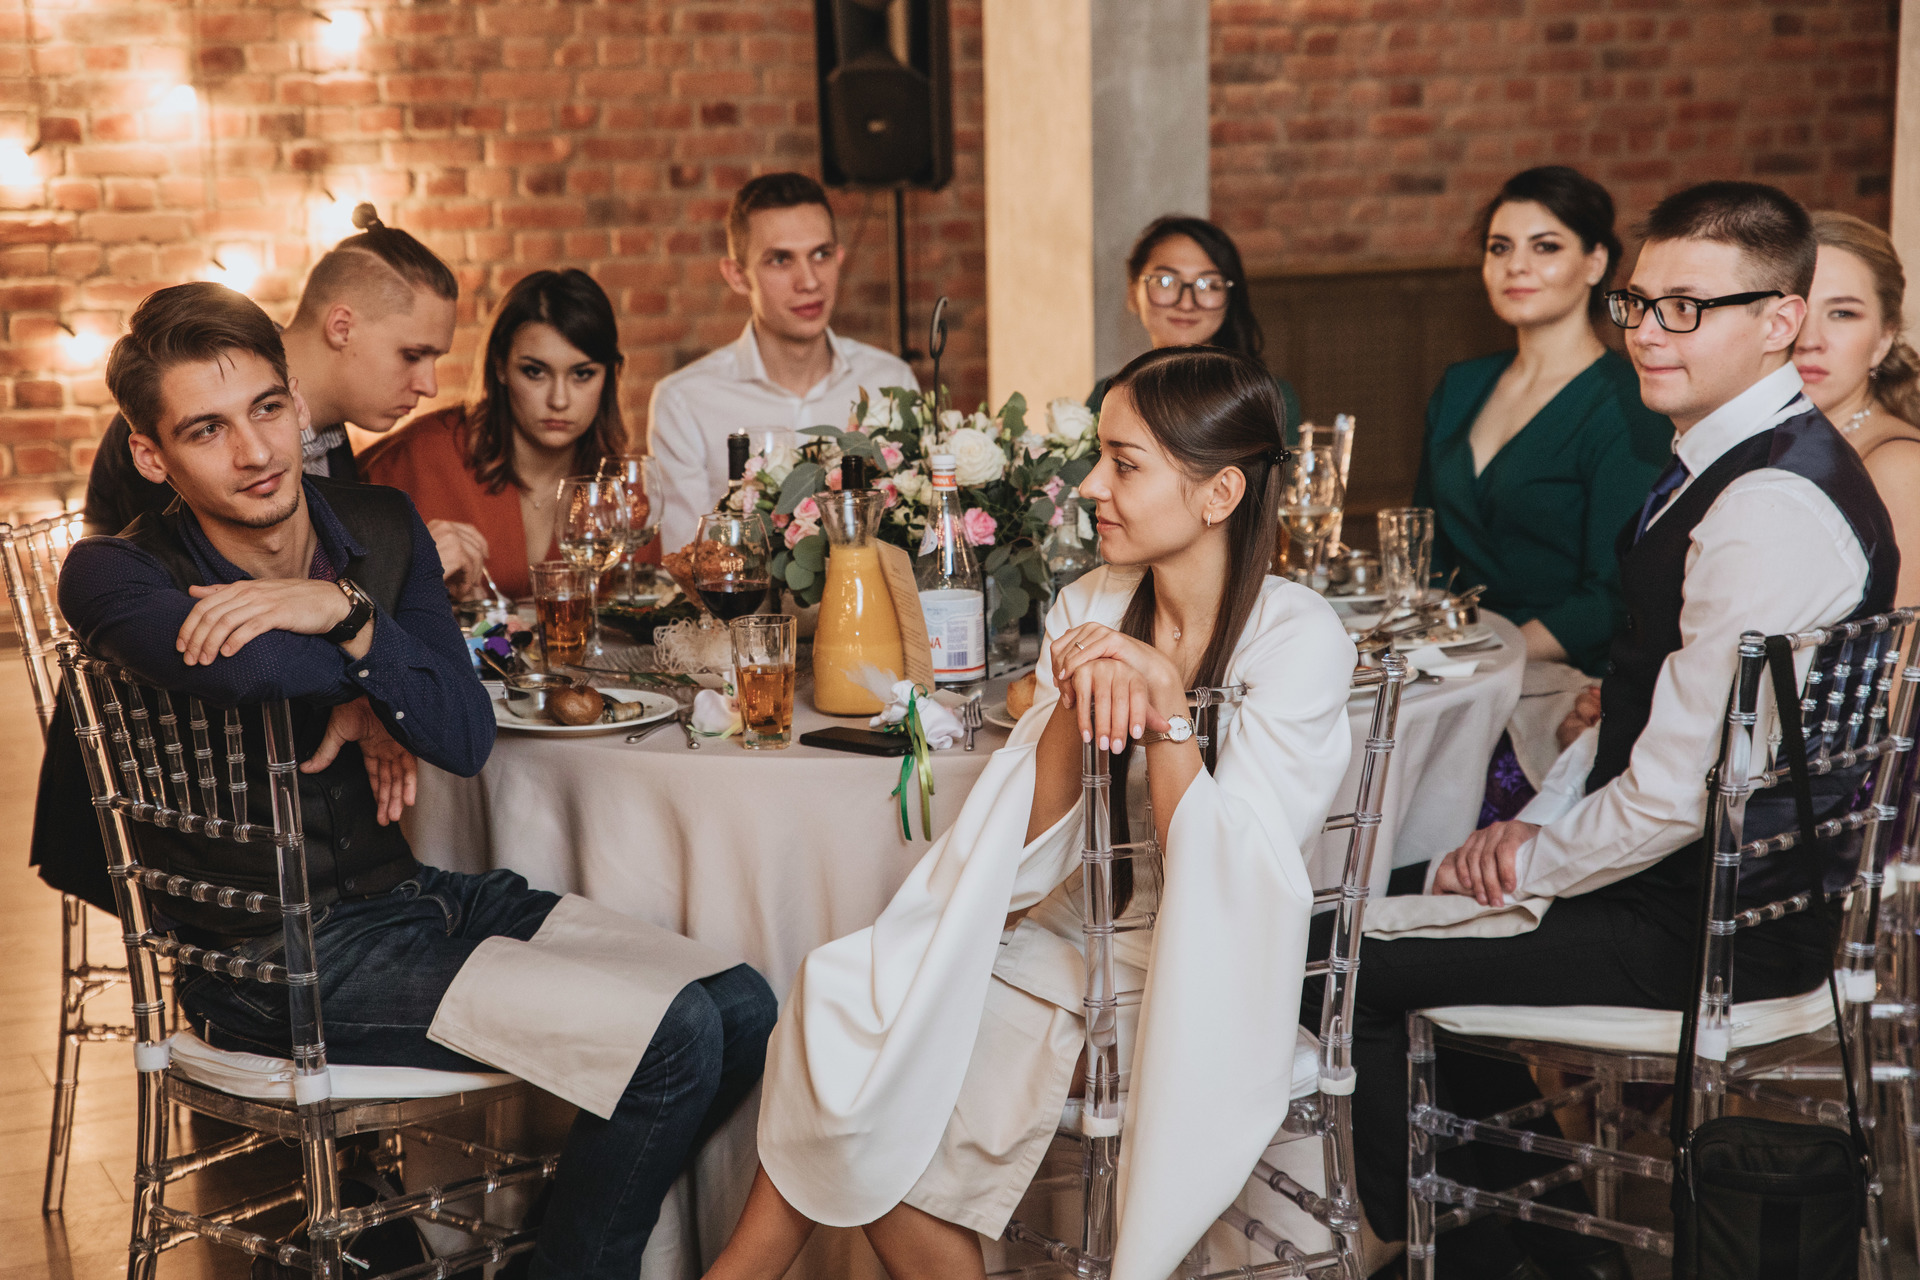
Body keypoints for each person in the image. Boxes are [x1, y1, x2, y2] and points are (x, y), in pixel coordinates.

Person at [55, 281, 778, 1279]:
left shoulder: (382, 524)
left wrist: (345, 614)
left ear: (296, 403)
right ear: (151, 455)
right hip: (265, 960)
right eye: (206, 430)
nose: (255, 450)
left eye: (267, 408)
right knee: (675, 1036)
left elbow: (462, 732)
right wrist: (375, 667)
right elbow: (248, 671)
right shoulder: (111, 572)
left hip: (407, 900)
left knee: (737, 1006)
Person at [1319, 182, 1896, 1280]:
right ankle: (1537, 1249)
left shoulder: (1767, 505)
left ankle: (1468, 1252)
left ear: (1780, 319)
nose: (1648, 332)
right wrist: (1531, 830)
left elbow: (1676, 795)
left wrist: (1531, 860)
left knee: (1330, 955)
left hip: (1706, 924)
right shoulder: (1735, 459)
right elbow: (1644, 701)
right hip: (1676, 884)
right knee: (1364, 903)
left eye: (1689, 308)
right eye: (1640, 303)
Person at [702, 346, 1356, 1280]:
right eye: (1099, 457)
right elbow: (1032, 839)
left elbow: (1229, 889)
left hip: (1199, 978)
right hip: (1065, 937)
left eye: (1124, 465)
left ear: (1220, 494)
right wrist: (1070, 700)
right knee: (842, 998)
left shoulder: (1297, 637)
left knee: (880, 1083)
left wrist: (1168, 712)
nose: (1091, 487)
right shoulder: (1092, 603)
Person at [1415, 167, 1671, 676]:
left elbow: (1612, 594)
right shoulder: (1460, 386)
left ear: (1596, 262)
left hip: (1565, 674)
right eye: (1500, 248)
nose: (1516, 266)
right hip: (1450, 657)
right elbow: (1425, 552)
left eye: (1545, 247)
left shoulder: (1629, 403)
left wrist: (1483, 663)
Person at [83, 204, 457, 535]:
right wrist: (395, 574)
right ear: (342, 327)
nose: (430, 387)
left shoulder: (334, 440)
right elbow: (193, 579)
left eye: (270, 409)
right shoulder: (172, 414)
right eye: (412, 355)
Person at [649, 172, 915, 551]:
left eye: (821, 255)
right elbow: (689, 560)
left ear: (839, 258)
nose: (809, 282)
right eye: (780, 260)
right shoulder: (684, 402)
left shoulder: (891, 380)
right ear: (738, 276)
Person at [359, 269, 628, 600]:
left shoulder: (620, 485)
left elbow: (646, 604)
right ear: (500, 366)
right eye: (535, 372)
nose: (559, 400)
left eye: (582, 374)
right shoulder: (416, 457)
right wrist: (414, 582)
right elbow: (341, 592)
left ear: (609, 376)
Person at [1792, 211, 1920, 607]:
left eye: (1842, 313)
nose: (1810, 340)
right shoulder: (1768, 442)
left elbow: (1903, 640)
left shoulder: (1900, 467)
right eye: (1795, 311)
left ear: (1884, 339)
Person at [1087, 215, 1304, 444]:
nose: (1186, 303)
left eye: (1208, 285)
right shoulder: (1109, 396)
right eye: (1165, 281)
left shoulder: (1266, 397)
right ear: (1132, 293)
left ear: (1230, 297)